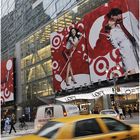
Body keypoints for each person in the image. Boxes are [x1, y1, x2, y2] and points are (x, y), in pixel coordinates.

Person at [105, 8, 139, 73]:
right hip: (126, 46)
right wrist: (121, 48)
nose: (119, 16)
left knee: (135, 60)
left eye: (119, 14)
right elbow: (115, 44)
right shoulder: (114, 29)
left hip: (133, 41)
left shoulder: (127, 16)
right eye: (117, 15)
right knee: (130, 63)